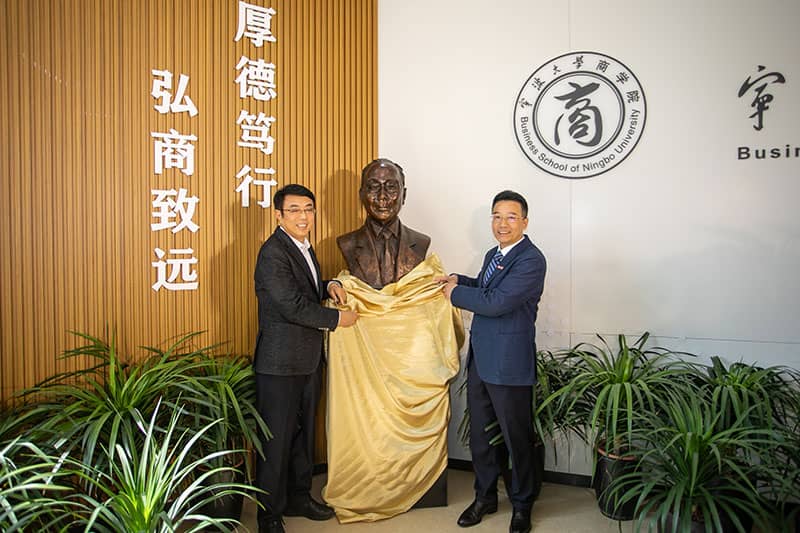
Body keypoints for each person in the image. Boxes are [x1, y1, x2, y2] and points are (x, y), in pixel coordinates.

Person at [438, 190, 546, 533]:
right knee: (482, 438)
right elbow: (486, 288)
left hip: (509, 365)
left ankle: (522, 505)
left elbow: (497, 301)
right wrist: (460, 280)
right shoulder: (493, 254)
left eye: (511, 217)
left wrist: (455, 294)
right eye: (497, 216)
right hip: (482, 362)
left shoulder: (531, 260)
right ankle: (484, 497)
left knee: (516, 439)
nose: (502, 223)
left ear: (525, 222)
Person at [253, 184, 358, 533]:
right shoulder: (272, 253)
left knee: (302, 436)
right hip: (280, 364)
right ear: (278, 215)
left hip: (308, 360)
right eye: (294, 210)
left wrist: (329, 285)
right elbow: (291, 305)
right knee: (276, 441)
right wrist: (337, 319)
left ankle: (299, 497)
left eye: (308, 209)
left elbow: (306, 289)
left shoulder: (303, 246)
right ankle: (268, 515)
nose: (303, 216)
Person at [336, 158, 430, 289]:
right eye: (374, 187)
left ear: (404, 195)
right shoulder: (347, 243)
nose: (382, 196)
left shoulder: (421, 242)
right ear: (361, 195)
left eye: (391, 187)